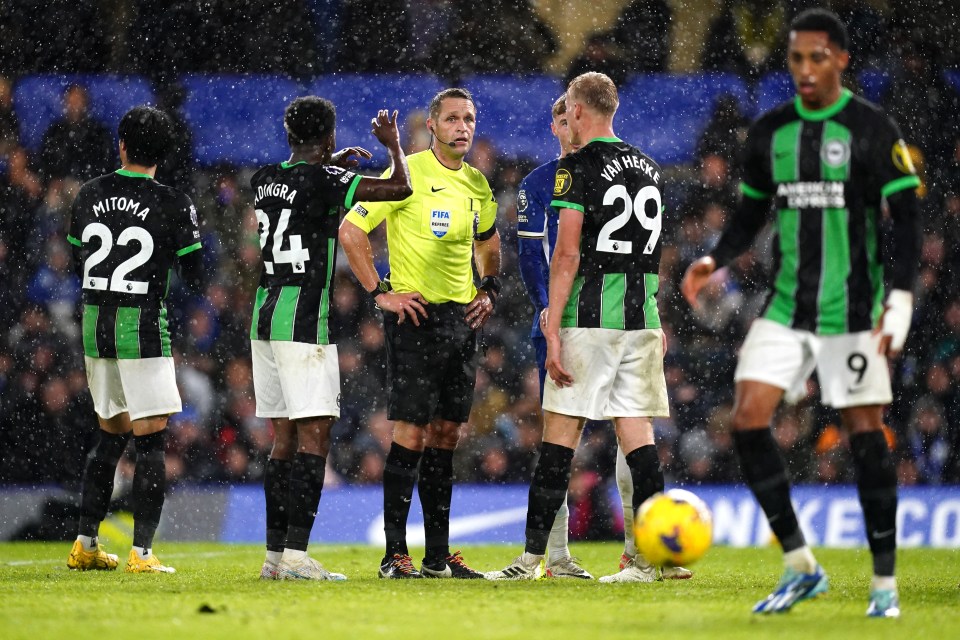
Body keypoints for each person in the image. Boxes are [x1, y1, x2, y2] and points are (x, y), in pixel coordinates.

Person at [680, 9, 921, 618]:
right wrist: (715, 259)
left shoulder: (871, 128)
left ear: (841, 59)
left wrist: (899, 300)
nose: (806, 69)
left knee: (867, 436)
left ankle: (884, 584)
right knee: (747, 418)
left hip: (853, 311)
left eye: (818, 57)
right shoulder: (771, 132)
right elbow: (750, 214)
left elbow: (909, 220)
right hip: (786, 307)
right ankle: (799, 565)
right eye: (796, 58)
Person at [486, 72, 671, 582]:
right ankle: (653, 560)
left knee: (558, 442)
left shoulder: (575, 168)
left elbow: (565, 253)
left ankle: (531, 560)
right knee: (640, 443)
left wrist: (552, 326)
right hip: (641, 318)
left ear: (580, 111)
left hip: (589, 320)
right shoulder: (650, 167)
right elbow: (652, 252)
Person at [339, 87, 500, 579]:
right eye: (452, 119)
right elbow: (351, 230)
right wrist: (379, 292)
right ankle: (394, 555)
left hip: (461, 323)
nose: (463, 127)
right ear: (432, 126)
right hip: (416, 319)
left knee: (448, 436)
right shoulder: (405, 173)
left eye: (469, 119)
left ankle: (438, 556)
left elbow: (489, 244)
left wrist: (488, 288)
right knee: (409, 434)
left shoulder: (477, 184)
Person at [251, 96, 412, 581]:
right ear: (329, 136)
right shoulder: (325, 180)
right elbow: (399, 188)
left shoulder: (264, 179)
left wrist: (330, 163)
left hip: (264, 320)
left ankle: (274, 558)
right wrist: (395, 146)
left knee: (282, 441)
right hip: (303, 324)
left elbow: (300, 188)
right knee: (315, 438)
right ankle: (298, 557)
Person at [65, 105, 204, 574]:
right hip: (141, 327)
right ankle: (142, 553)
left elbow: (76, 257)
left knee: (108, 437)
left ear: (121, 145)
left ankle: (85, 544)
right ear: (163, 153)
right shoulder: (173, 201)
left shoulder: (88, 194)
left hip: (94, 326)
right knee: (150, 443)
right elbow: (196, 273)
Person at [40, 83, 115, 183]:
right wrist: (55, 180)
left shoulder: (99, 132)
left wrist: (84, 181)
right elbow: (46, 162)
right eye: (71, 101)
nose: (74, 106)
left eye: (78, 101)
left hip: (91, 186)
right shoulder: (55, 131)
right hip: (61, 187)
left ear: (86, 103)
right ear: (65, 103)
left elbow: (106, 165)